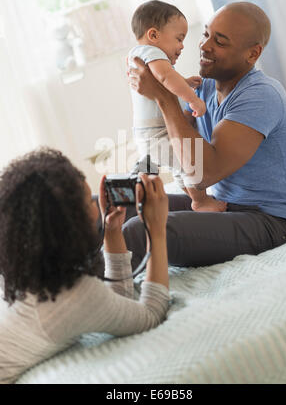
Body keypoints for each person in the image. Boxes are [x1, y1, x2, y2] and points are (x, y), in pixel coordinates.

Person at [124, 1, 286, 271]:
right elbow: (178, 144)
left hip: (271, 219)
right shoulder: (202, 88)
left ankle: (103, 305)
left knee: (139, 230)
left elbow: (202, 173)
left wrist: (163, 97)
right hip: (224, 203)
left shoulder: (260, 95)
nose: (204, 46)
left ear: (252, 54)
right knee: (121, 201)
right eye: (206, 34)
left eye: (220, 41)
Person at [0, 148, 170, 384]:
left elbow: (113, 305)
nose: (94, 204)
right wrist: (157, 230)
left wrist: (112, 231)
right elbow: (150, 314)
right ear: (70, 224)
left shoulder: (22, 269)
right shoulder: (71, 295)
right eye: (88, 200)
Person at [129, 0, 226, 213]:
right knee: (190, 162)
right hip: (157, 132)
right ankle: (200, 202)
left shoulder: (142, 55)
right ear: (153, 35)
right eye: (179, 39)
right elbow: (165, 77)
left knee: (179, 167)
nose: (182, 45)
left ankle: (194, 198)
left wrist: (184, 81)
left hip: (149, 133)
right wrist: (193, 99)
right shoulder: (151, 52)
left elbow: (166, 77)